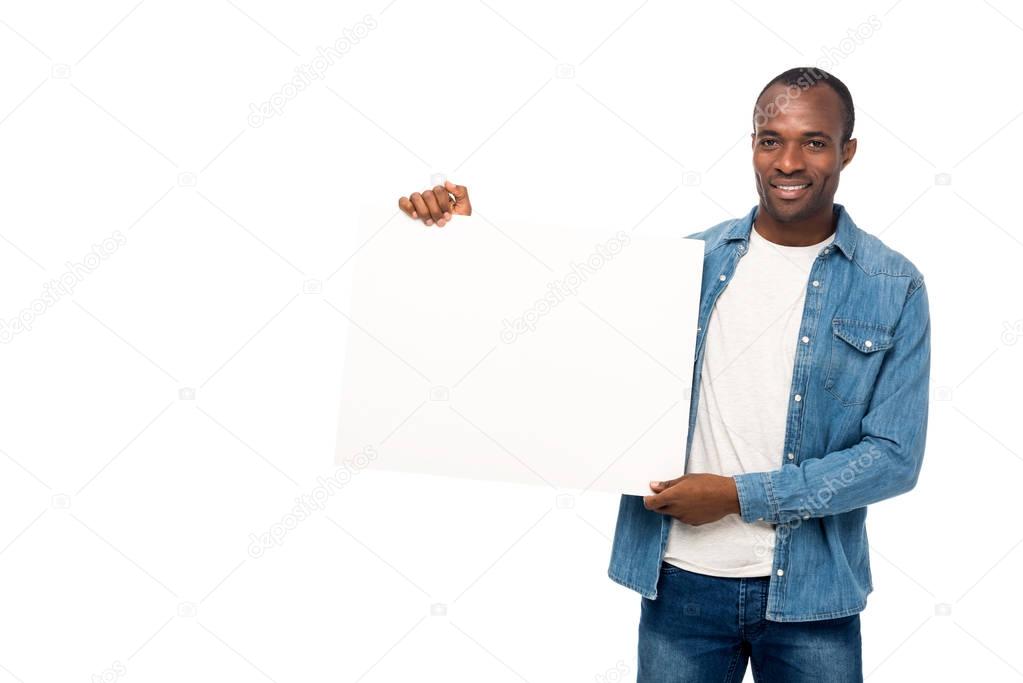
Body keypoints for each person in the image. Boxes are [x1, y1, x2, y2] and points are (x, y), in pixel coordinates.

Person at [395, 66, 930, 682]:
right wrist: (468, 243)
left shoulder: (892, 286)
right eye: (769, 139)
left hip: (813, 596)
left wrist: (737, 496)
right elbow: (560, 353)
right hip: (680, 585)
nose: (788, 161)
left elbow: (893, 457)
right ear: (752, 145)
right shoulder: (682, 264)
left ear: (847, 151)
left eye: (813, 141)